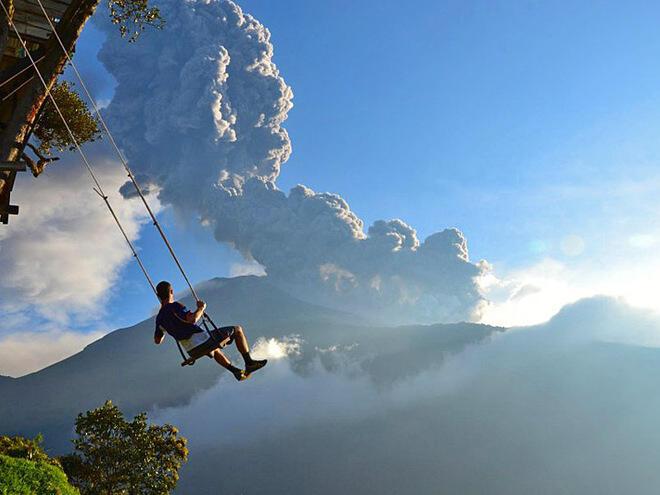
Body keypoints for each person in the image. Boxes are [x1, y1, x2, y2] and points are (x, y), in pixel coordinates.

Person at [153, 281, 266, 381]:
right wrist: (201, 308)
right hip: (202, 340)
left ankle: (235, 371)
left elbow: (157, 340)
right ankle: (249, 362)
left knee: (215, 350)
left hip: (191, 350)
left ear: (158, 296)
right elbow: (192, 319)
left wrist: (168, 327)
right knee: (237, 330)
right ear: (171, 291)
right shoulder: (175, 306)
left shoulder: (159, 319)